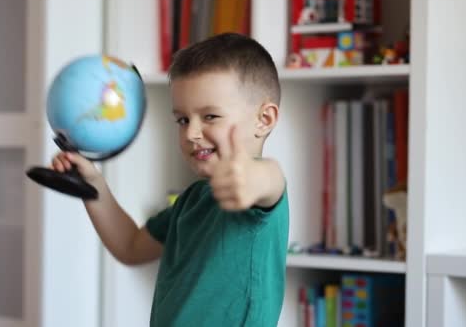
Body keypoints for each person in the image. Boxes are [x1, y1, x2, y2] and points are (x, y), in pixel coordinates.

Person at [51, 33, 289, 326]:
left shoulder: (258, 192)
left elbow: (272, 181)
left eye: (210, 116)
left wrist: (255, 176)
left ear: (264, 120)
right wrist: (93, 186)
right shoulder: (192, 200)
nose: (191, 133)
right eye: (183, 119)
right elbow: (130, 246)